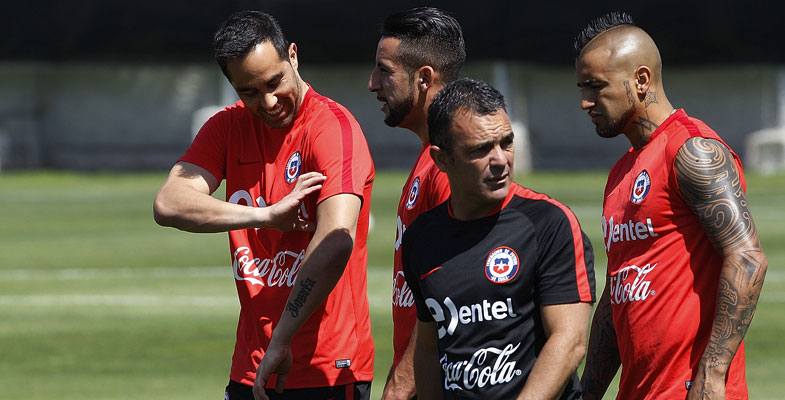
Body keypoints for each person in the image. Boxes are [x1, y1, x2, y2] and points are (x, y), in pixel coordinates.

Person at [153, 10, 375, 400]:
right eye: (249, 92)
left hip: (327, 370)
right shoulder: (227, 127)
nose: (269, 101)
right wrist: (265, 215)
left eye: (275, 82)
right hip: (252, 367)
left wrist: (282, 339)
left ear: (293, 56)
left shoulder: (332, 128)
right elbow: (169, 203)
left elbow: (336, 239)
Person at [575, 12, 768, 400]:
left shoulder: (693, 150)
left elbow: (747, 257)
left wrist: (712, 376)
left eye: (596, 87)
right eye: (582, 87)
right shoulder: (621, 171)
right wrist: (587, 391)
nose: (585, 102)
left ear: (641, 80)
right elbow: (619, 290)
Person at [402, 78, 596, 399]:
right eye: (480, 150)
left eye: (506, 143)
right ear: (441, 159)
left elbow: (569, 341)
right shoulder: (421, 238)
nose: (500, 161)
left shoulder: (548, 223)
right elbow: (428, 349)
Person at [367, 7, 465, 399]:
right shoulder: (429, 158)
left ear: (424, 78)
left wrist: (400, 385)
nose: (373, 83)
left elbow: (456, 292)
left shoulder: (449, 167)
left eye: (384, 71)